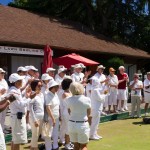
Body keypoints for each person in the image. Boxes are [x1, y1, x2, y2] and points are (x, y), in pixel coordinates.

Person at [8, 73, 31, 150]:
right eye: (20, 80)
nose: (22, 82)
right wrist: (29, 98)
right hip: (17, 118)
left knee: (15, 139)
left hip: (17, 117)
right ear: (15, 82)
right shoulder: (13, 92)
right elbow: (21, 105)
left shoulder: (16, 90)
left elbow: (21, 103)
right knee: (17, 140)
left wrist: (26, 97)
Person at [67, 82, 91, 150]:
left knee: (76, 146)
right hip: (82, 124)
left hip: (72, 124)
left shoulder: (69, 99)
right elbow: (89, 114)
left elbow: (69, 112)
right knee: (84, 146)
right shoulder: (87, 99)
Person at [90, 65, 108, 140]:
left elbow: (101, 92)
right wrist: (105, 94)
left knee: (97, 121)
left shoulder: (96, 88)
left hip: (98, 107)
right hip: (96, 107)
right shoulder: (95, 89)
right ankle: (92, 135)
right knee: (94, 121)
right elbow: (100, 98)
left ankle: (95, 134)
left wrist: (105, 91)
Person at [29, 80, 44, 150]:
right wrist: (35, 120)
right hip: (35, 117)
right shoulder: (32, 95)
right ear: (34, 86)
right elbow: (30, 108)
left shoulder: (41, 94)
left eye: (41, 85)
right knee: (35, 134)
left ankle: (32, 147)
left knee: (38, 134)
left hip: (41, 117)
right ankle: (35, 148)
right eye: (39, 85)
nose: (40, 87)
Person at [45, 80, 60, 150]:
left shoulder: (56, 94)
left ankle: (55, 146)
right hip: (49, 118)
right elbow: (48, 108)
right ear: (52, 87)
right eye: (57, 86)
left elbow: (57, 106)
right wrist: (53, 118)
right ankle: (48, 148)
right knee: (48, 133)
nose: (58, 88)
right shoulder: (48, 95)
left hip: (56, 116)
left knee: (55, 132)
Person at [60, 78, 73, 150]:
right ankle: (67, 144)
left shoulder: (71, 92)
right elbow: (68, 104)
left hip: (71, 112)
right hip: (67, 112)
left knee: (69, 127)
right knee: (68, 128)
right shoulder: (64, 94)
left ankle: (69, 142)